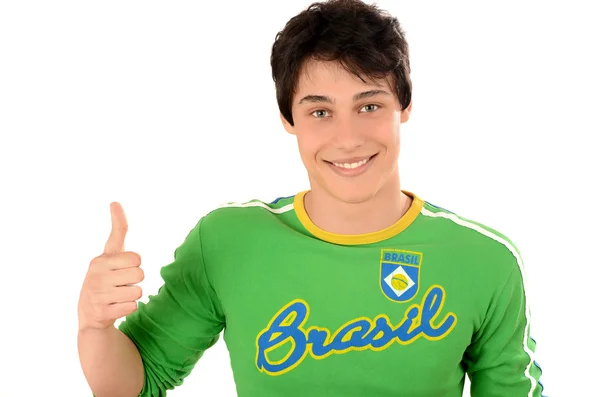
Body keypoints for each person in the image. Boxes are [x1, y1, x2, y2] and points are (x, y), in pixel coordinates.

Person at [77, 0, 545, 396]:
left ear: (404, 107)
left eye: (369, 105)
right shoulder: (226, 242)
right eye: (320, 111)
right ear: (288, 119)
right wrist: (93, 326)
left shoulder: (486, 261)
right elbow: (137, 381)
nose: (347, 138)